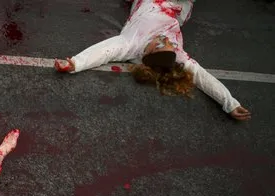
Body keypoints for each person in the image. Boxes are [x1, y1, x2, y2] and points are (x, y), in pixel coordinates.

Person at [54, 0, 251, 121]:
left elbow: (103, 51)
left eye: (160, 43)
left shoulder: (131, 43)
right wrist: (230, 103)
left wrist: (75, 63)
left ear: (147, 53)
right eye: (168, 43)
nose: (165, 38)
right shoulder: (175, 54)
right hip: (178, 5)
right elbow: (201, 76)